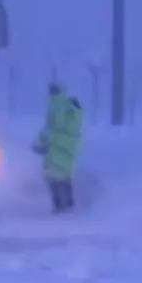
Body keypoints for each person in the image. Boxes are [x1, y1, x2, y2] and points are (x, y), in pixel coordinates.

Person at [33, 80, 82, 213]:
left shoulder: (57, 104)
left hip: (57, 146)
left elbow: (53, 127)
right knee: (63, 175)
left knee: (53, 177)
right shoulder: (67, 104)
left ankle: (60, 205)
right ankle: (68, 203)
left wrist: (40, 143)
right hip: (66, 146)